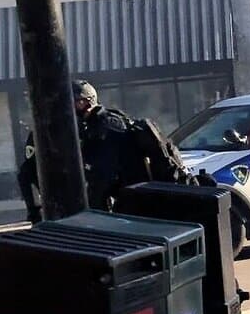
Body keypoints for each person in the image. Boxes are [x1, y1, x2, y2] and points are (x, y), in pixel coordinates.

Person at [18, 81, 193, 222]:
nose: (68, 110)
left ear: (86, 102)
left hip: (134, 205)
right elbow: (28, 172)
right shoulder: (82, 130)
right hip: (121, 204)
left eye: (73, 104)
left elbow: (102, 178)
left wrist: (95, 216)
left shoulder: (109, 127)